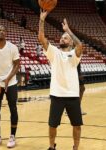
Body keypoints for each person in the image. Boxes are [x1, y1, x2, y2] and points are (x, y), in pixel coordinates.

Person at [38, 10, 83, 150]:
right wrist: (41, 20)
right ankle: (52, 146)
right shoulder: (54, 52)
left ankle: (75, 147)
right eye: (62, 37)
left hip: (72, 95)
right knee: (52, 124)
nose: (62, 39)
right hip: (57, 95)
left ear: (70, 42)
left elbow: (80, 45)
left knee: (76, 124)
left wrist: (68, 30)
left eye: (65, 38)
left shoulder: (74, 55)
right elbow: (41, 38)